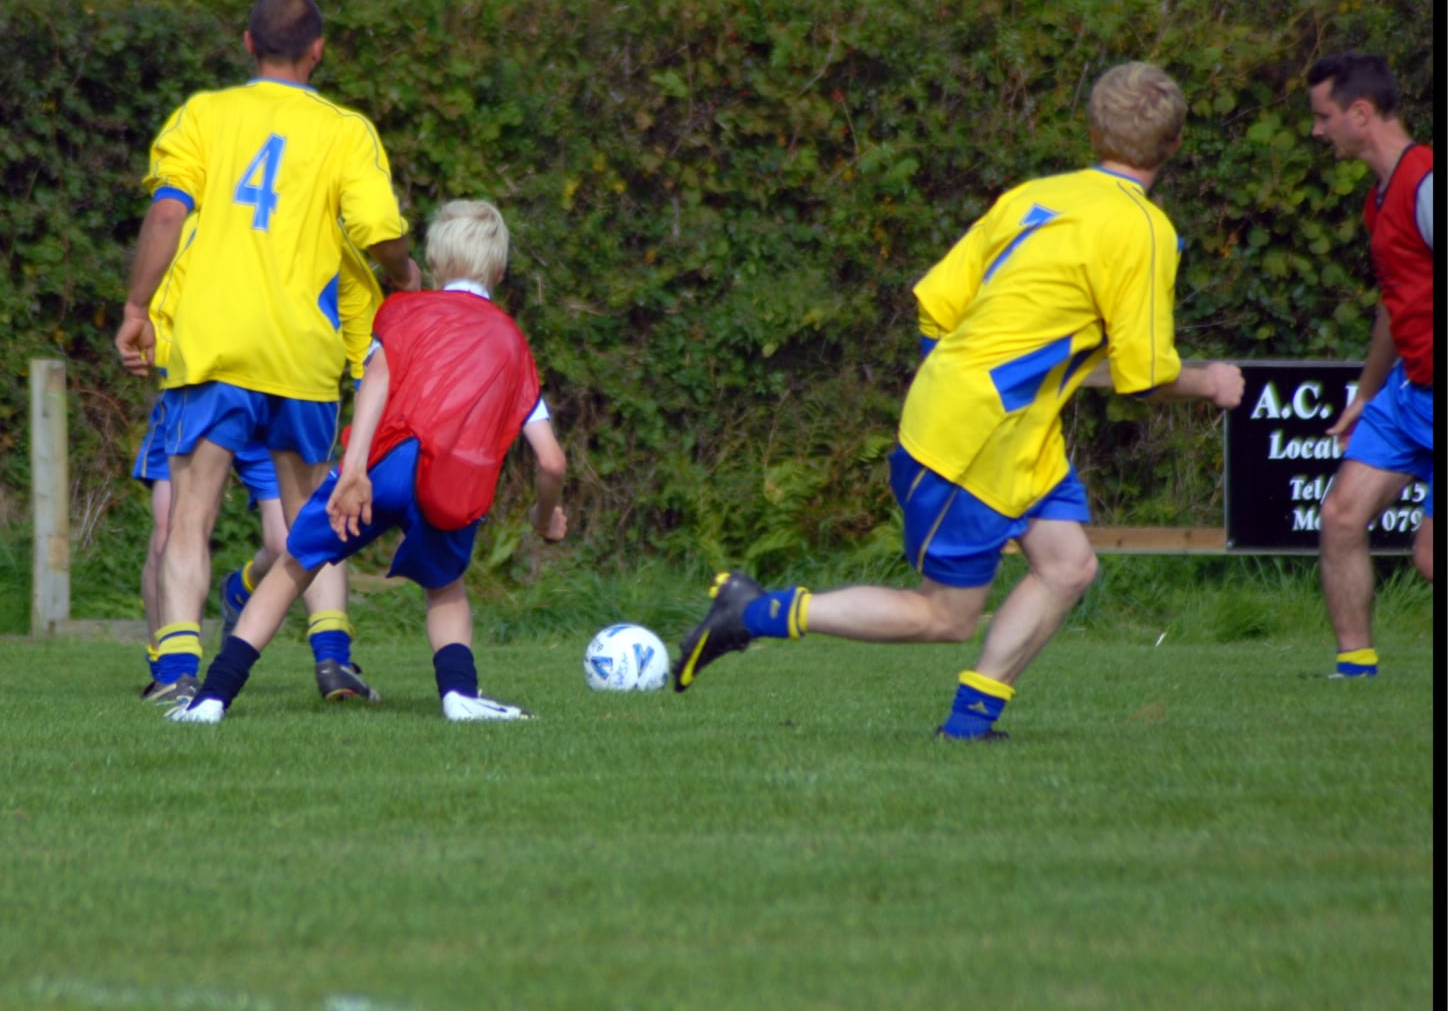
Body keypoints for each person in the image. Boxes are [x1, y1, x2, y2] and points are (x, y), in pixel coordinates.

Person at [673, 62, 1244, 739]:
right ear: (1176, 144)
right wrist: (1211, 382)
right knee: (945, 617)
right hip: (978, 438)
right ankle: (753, 612)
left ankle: (971, 726)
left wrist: (946, 388)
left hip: (1011, 432)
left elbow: (936, 304)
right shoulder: (1143, 230)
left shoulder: (1035, 196)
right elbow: (1143, 375)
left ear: (1092, 130)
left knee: (1069, 567)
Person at [114, 0, 421, 702]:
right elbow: (379, 234)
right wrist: (408, 279)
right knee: (315, 510)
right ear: (319, 51)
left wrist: (136, 306)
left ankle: (176, 673)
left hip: (214, 343)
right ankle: (333, 658)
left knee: (190, 514)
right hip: (300, 350)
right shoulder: (346, 131)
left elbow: (167, 212)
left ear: (247, 45)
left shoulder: (203, 115)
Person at [167, 199, 568, 724]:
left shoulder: (402, 312)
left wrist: (354, 469)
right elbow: (552, 461)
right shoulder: (511, 343)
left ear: (437, 259)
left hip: (383, 466)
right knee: (445, 585)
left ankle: (213, 697)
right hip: (451, 483)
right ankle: (459, 696)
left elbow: (376, 381)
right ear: (498, 267)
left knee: (295, 564)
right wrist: (543, 515)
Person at [127, 219, 381, 703]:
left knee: (294, 533)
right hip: (210, 375)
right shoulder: (217, 206)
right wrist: (155, 334)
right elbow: (174, 268)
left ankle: (328, 654)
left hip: (280, 375)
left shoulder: (306, 217)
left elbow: (346, 286)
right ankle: (171, 666)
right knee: (170, 526)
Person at [1305, 53, 1434, 679]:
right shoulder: (1378, 200)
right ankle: (1355, 669)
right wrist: (1365, 392)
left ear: (1360, 113)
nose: (1317, 130)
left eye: (1323, 116)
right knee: (1342, 515)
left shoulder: (1429, 185)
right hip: (1410, 392)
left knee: (1431, 560)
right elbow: (1395, 304)